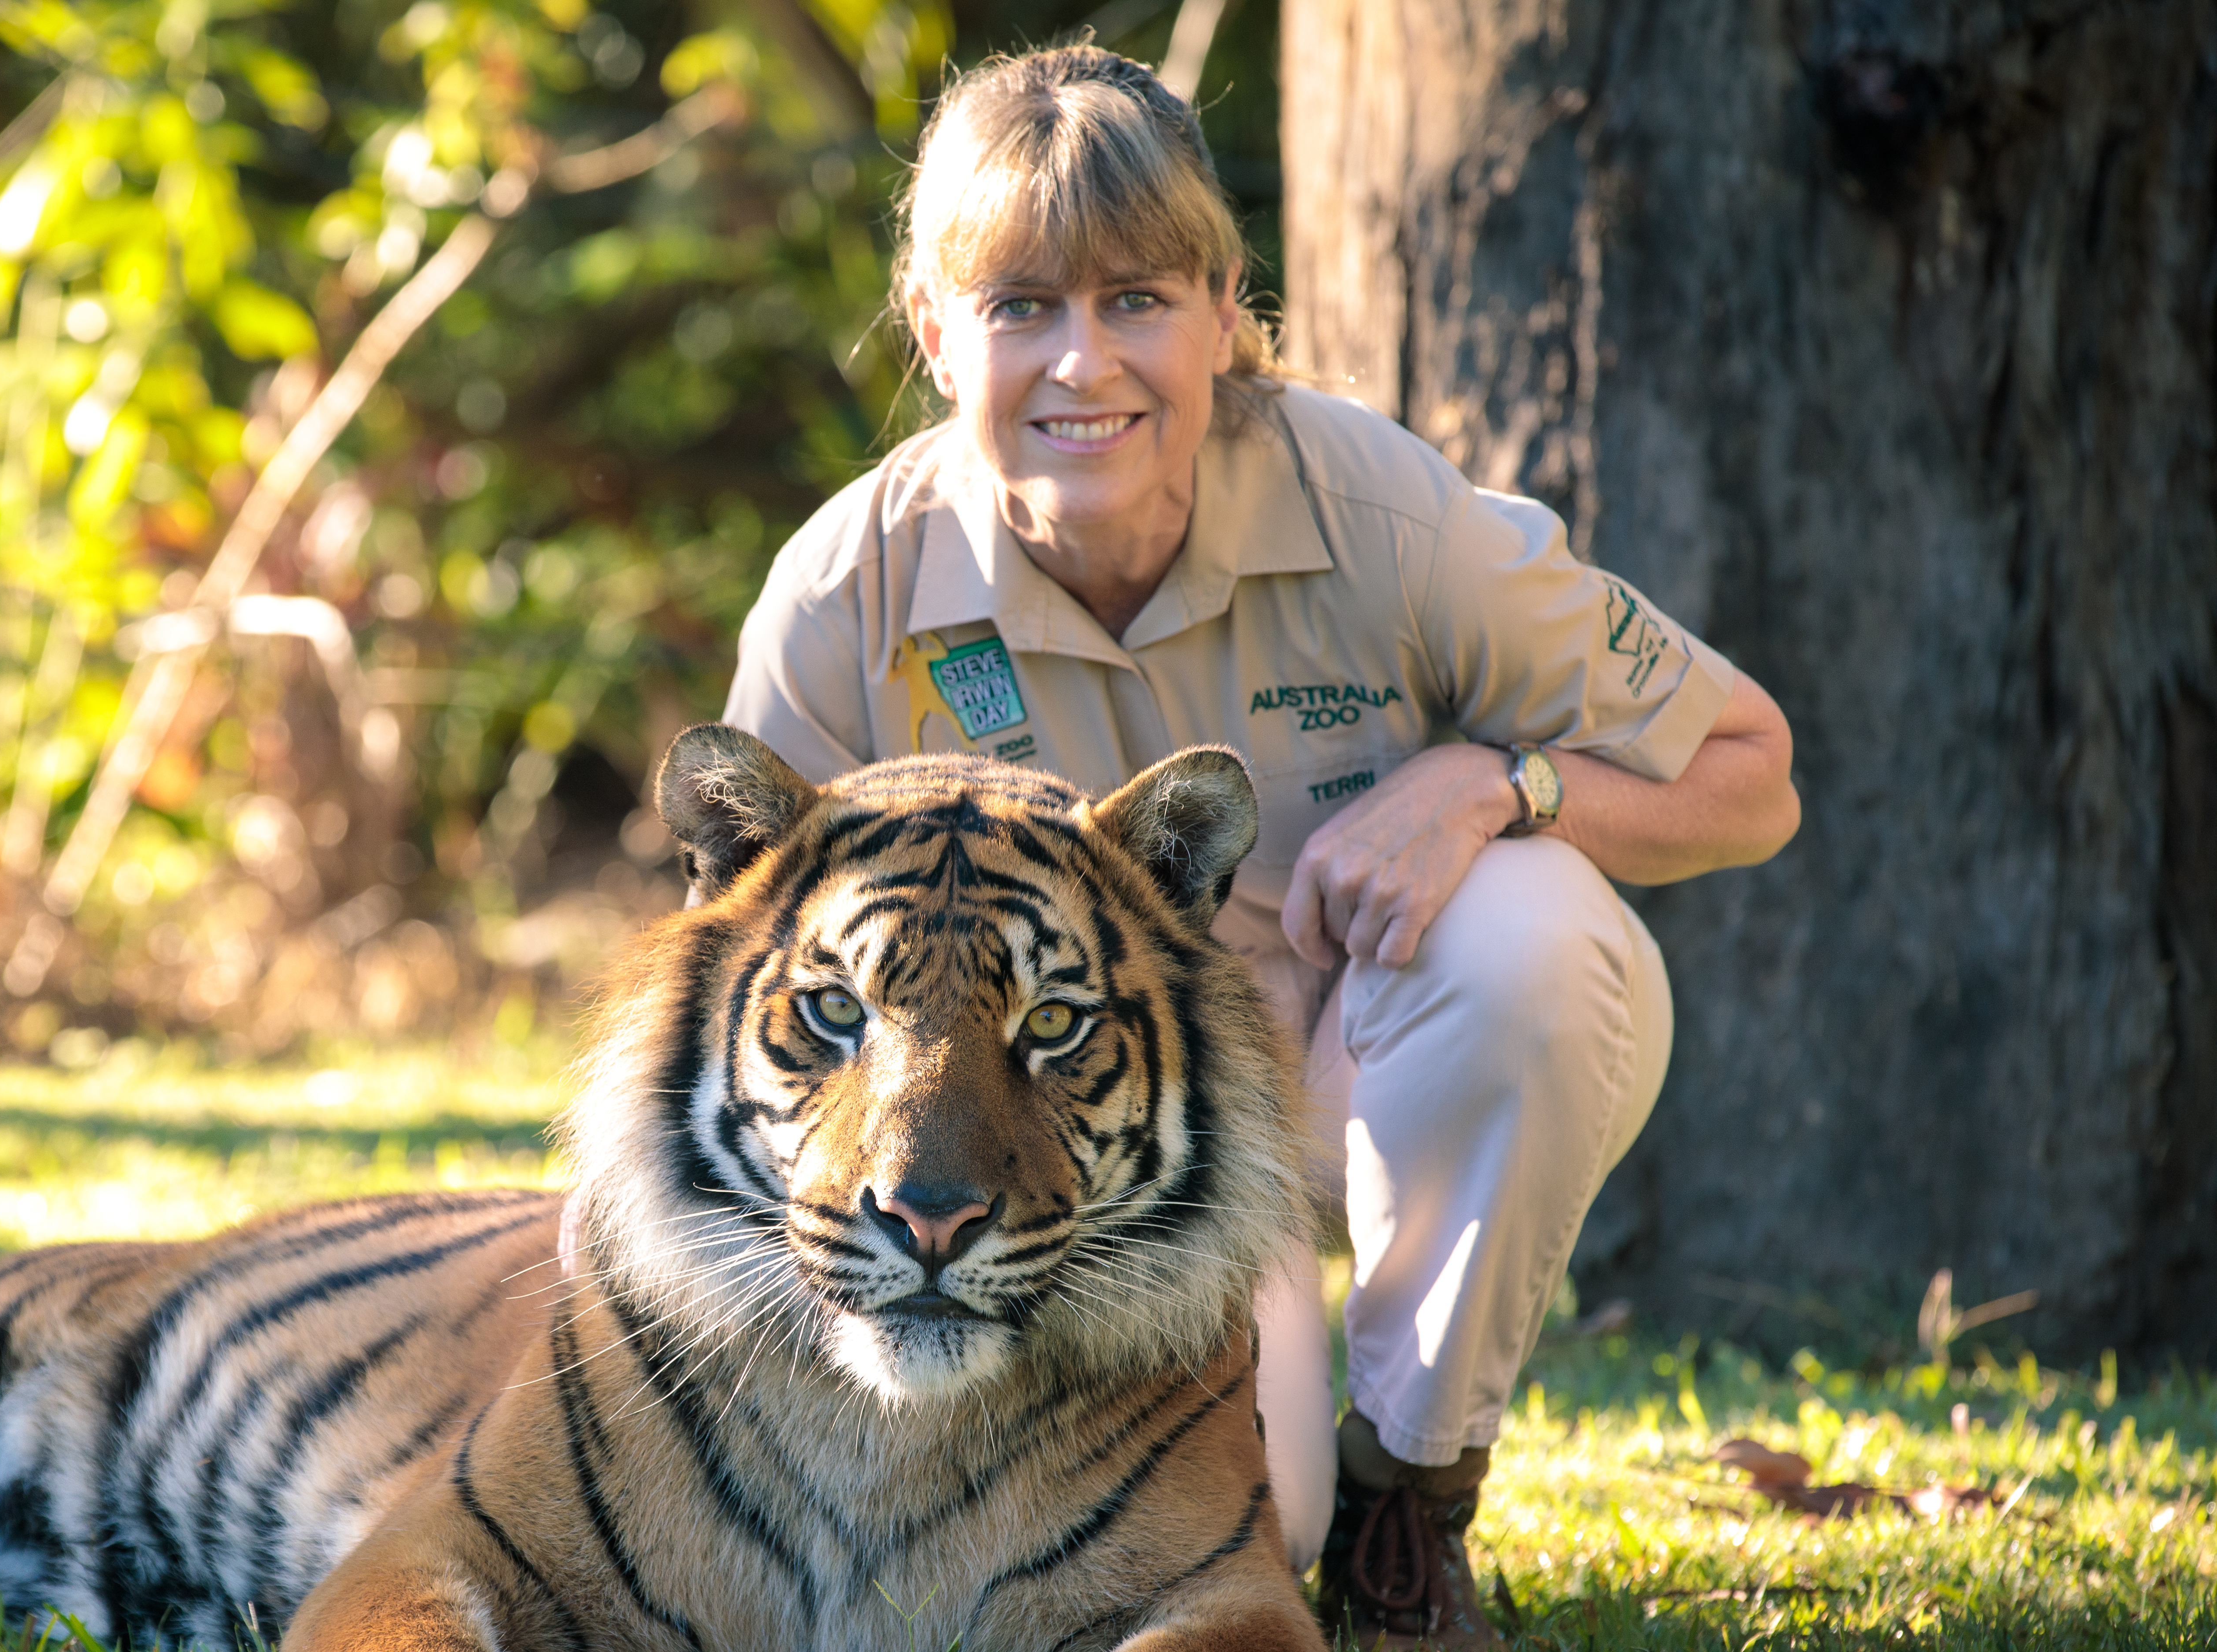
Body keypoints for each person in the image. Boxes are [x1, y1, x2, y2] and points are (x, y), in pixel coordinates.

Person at [720, 44, 1800, 1649]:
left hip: (1346, 1071)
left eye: (1137, 298)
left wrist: (1499, 787)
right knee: (1252, 1522)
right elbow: (743, 978)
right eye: (1022, 307)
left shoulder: (1387, 515)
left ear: (1226, 310)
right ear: (936, 333)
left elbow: (1750, 772)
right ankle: (1297, 1491)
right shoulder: (844, 597)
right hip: (1073, 1158)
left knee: (1535, 943)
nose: (1084, 364)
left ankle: (1413, 1495)